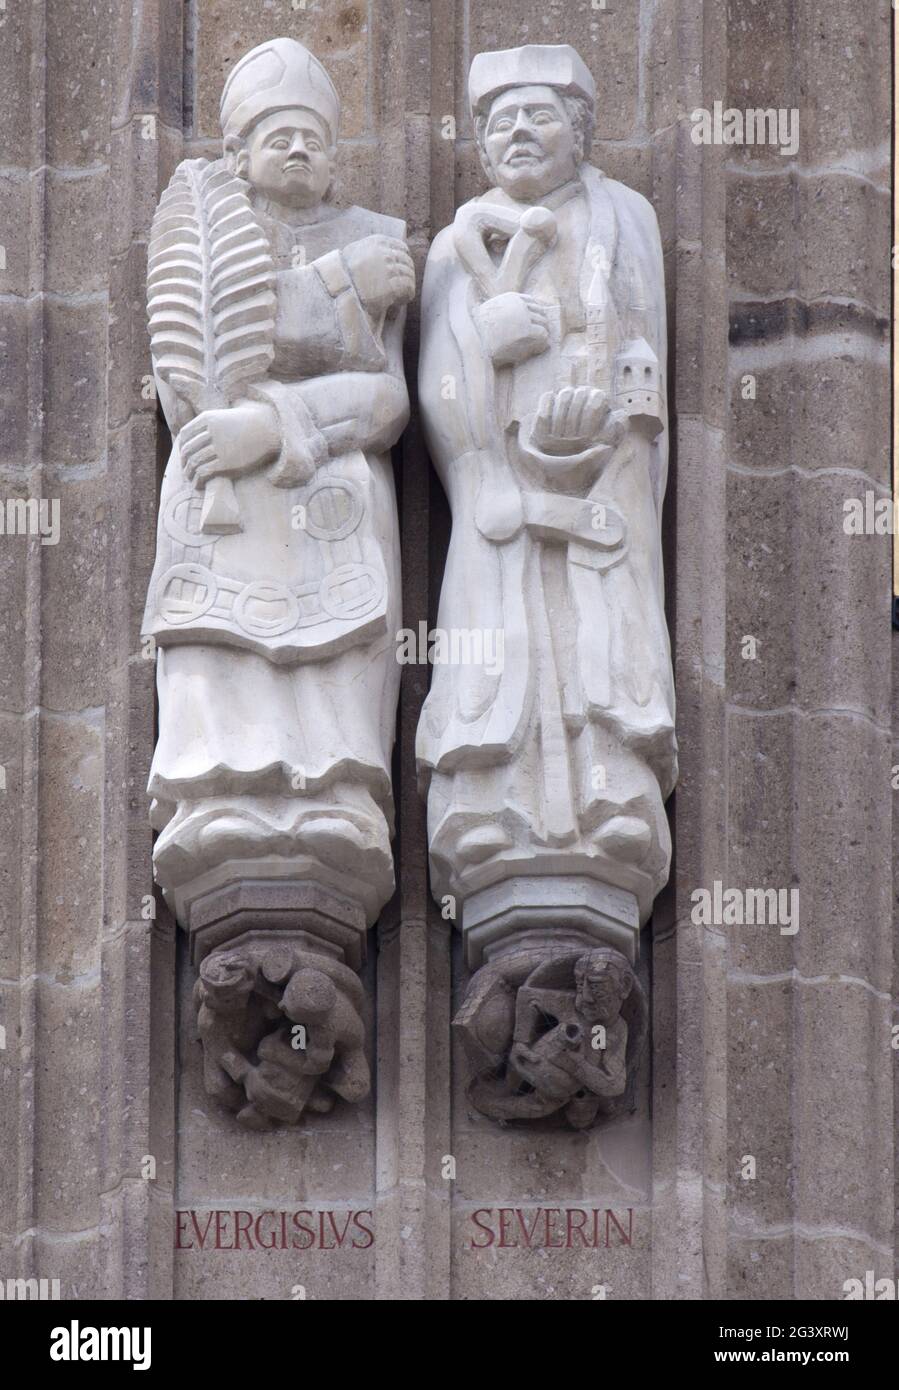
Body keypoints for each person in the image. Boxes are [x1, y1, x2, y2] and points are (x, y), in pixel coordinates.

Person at [143, 39, 414, 921]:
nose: (300, 151)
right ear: (235, 154)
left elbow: (385, 400)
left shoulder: (377, 243)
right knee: (221, 651)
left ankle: (334, 803)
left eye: (314, 138)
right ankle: (217, 803)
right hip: (221, 494)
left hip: (327, 489)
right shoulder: (201, 228)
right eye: (278, 136)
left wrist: (274, 424)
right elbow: (188, 366)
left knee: (331, 654)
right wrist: (335, 291)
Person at [417, 45, 677, 917]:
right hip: (500, 500)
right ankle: (489, 814)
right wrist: (487, 357)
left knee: (598, 640)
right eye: (500, 122)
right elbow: (432, 393)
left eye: (540, 117)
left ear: (579, 134)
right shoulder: (458, 244)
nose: (519, 133)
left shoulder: (620, 216)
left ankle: (614, 804)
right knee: (499, 642)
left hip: (604, 482)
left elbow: (644, 343)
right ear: (482, 148)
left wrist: (607, 426)